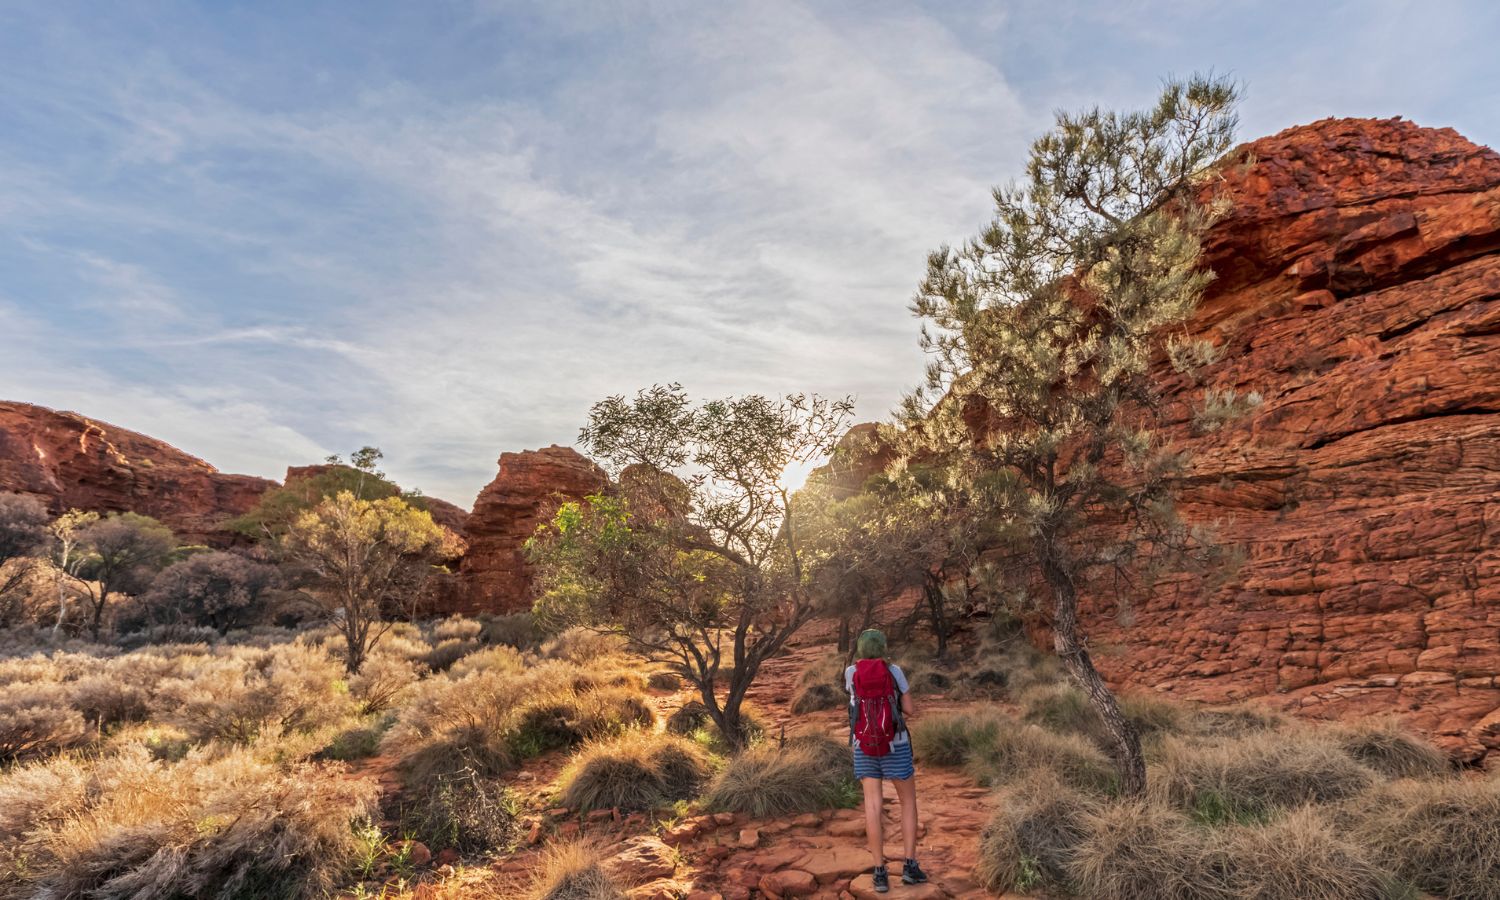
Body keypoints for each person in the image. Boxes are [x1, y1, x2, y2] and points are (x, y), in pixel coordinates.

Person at [846, 628, 926, 893]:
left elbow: (854, 705)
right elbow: (909, 710)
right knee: (908, 803)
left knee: (872, 806)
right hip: (896, 744)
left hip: (864, 746)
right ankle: (910, 867)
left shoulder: (850, 673)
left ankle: (879, 872)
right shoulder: (895, 671)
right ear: (883, 648)